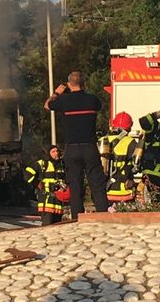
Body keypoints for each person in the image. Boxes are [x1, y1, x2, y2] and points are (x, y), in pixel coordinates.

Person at [44, 70, 108, 220]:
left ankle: (76, 218)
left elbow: (47, 106)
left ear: (68, 84)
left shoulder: (64, 101)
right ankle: (104, 215)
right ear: (84, 83)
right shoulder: (92, 100)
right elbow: (99, 105)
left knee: (75, 185)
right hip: (90, 147)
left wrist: (56, 93)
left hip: (72, 149)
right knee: (97, 184)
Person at [98, 112, 138, 203]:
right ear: (129, 127)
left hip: (103, 192)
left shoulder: (102, 141)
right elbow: (137, 165)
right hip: (124, 193)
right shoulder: (131, 142)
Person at [24, 145, 69, 225]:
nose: (56, 153)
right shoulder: (42, 164)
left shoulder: (61, 165)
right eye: (53, 152)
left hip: (58, 202)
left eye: (57, 151)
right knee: (47, 226)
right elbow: (27, 173)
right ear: (49, 153)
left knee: (58, 226)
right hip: (46, 202)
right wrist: (37, 183)